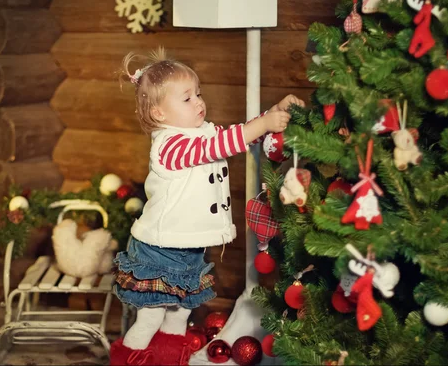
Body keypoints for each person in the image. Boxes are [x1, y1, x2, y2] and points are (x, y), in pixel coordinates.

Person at [110, 47, 304, 365]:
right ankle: (128, 360)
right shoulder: (170, 145)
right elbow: (222, 145)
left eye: (198, 94)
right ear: (159, 113)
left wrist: (272, 115)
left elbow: (235, 136)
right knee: (151, 318)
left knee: (180, 313)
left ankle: (170, 358)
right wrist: (266, 122)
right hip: (160, 249)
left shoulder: (198, 133)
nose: (198, 102)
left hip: (186, 247)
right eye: (186, 98)